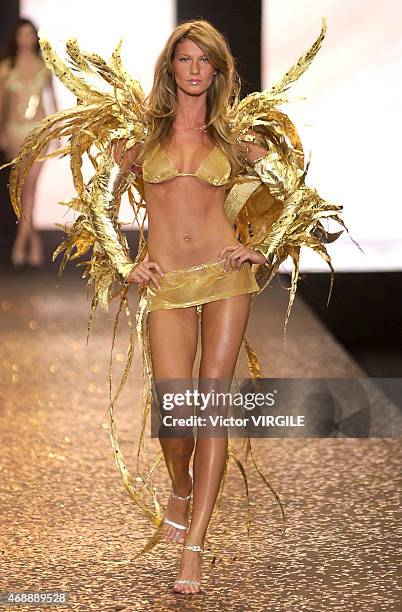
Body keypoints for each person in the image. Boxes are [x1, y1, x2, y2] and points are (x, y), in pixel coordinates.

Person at [1, 17, 353, 595]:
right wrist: (123, 262)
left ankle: (195, 545)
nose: (194, 70)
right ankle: (181, 487)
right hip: (166, 284)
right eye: (184, 60)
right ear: (171, 68)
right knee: (174, 410)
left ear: (217, 71)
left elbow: (296, 190)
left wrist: (259, 247)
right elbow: (94, 199)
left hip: (224, 278)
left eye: (203, 61)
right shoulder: (139, 144)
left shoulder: (236, 145)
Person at [0, 18, 58, 268]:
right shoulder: (6, 68)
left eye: (29, 34)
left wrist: (58, 132)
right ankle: (32, 240)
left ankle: (20, 242)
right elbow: (2, 104)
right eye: (21, 33)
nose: (26, 38)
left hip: (38, 131)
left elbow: (53, 103)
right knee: (22, 187)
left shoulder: (44, 67)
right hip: (14, 131)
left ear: (35, 38)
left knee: (31, 187)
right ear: (16, 38)